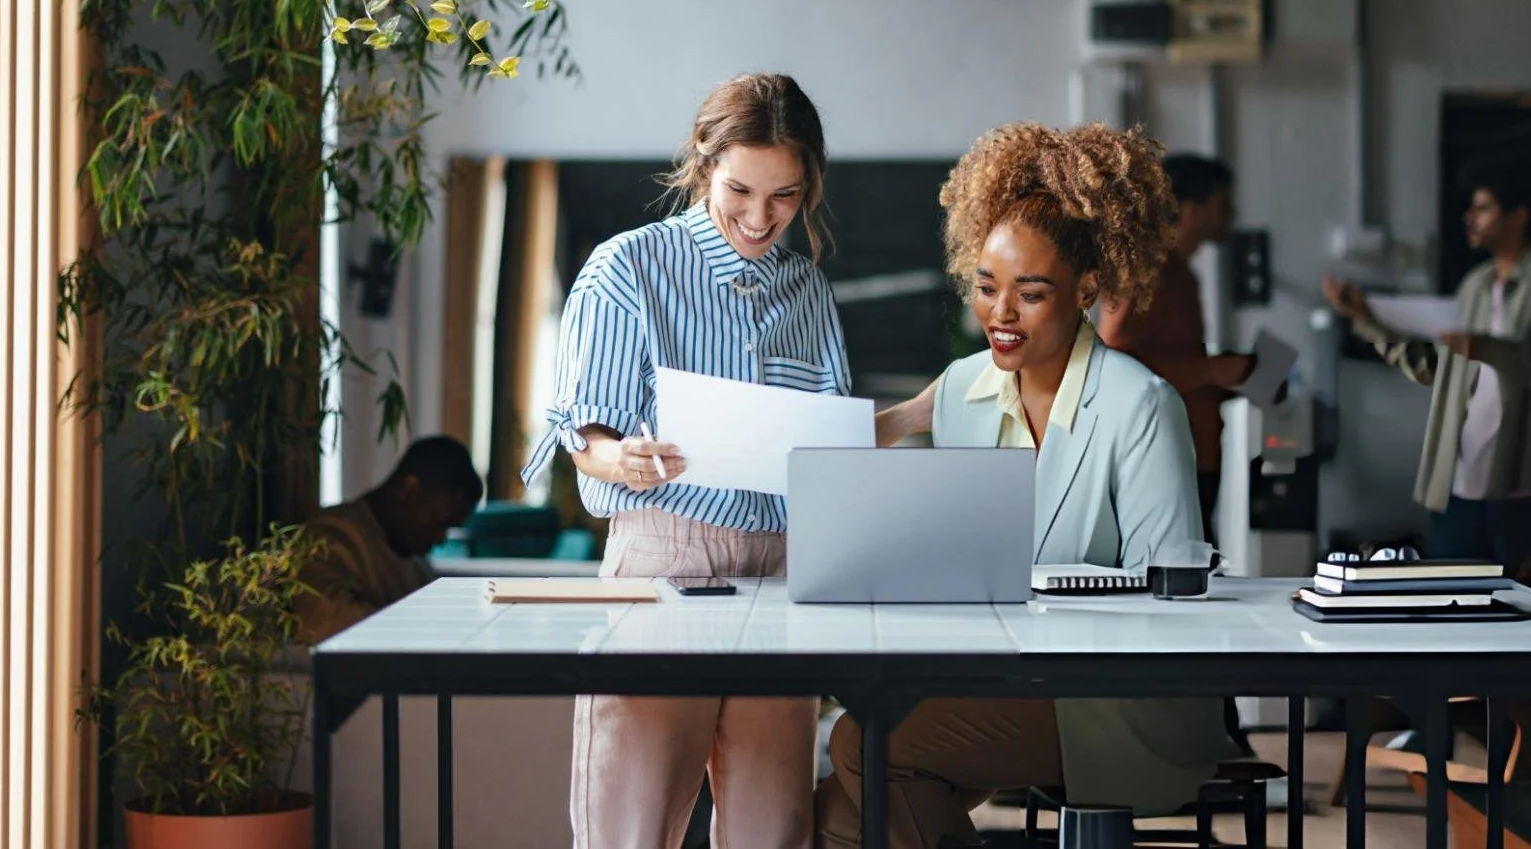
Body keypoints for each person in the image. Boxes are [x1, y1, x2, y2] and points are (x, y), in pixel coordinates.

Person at [820, 123, 1241, 849]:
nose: (1000, 315)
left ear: (1087, 289)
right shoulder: (962, 390)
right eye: (986, 287)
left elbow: (1173, 603)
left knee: (863, 751)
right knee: (833, 818)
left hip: (1113, 697)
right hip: (1002, 677)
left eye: (1031, 293)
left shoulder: (1140, 406)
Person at [519, 72, 851, 849]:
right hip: (664, 556)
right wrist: (619, 458)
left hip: (780, 576)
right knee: (627, 837)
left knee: (775, 836)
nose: (760, 218)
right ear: (704, 164)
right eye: (741, 190)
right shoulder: (628, 268)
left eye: (786, 197)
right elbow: (583, 438)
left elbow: (827, 445)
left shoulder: (808, 291)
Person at [1322, 155, 1531, 572]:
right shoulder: (1475, 285)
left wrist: (1485, 348)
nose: (1470, 218)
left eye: (1483, 208)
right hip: (1459, 479)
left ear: (1518, 216)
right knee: (1454, 605)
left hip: (1520, 486)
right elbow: (1437, 369)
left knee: (1527, 612)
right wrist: (1366, 320)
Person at [1096, 152, 1259, 542]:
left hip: (1197, 456)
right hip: (1163, 463)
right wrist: (1210, 371)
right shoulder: (1145, 273)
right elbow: (1111, 364)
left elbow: (1173, 369)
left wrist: (1228, 381)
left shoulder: (1182, 273)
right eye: (1223, 204)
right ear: (1191, 210)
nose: (1232, 213)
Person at [294, 435, 483, 645]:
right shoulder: (329, 537)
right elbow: (319, 619)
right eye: (439, 523)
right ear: (409, 490)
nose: (440, 540)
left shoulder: (414, 560)